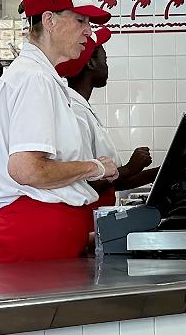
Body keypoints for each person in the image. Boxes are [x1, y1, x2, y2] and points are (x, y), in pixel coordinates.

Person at [0, 0, 119, 265]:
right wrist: (96, 167)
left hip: (44, 229)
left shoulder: (42, 77)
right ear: (49, 21)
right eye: (80, 20)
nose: (88, 31)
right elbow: (27, 169)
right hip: (33, 232)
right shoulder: (35, 79)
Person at [56, 27, 157, 207]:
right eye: (105, 59)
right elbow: (84, 184)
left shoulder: (83, 108)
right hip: (88, 217)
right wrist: (129, 168)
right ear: (91, 63)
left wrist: (165, 171)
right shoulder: (75, 113)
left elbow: (117, 181)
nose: (107, 65)